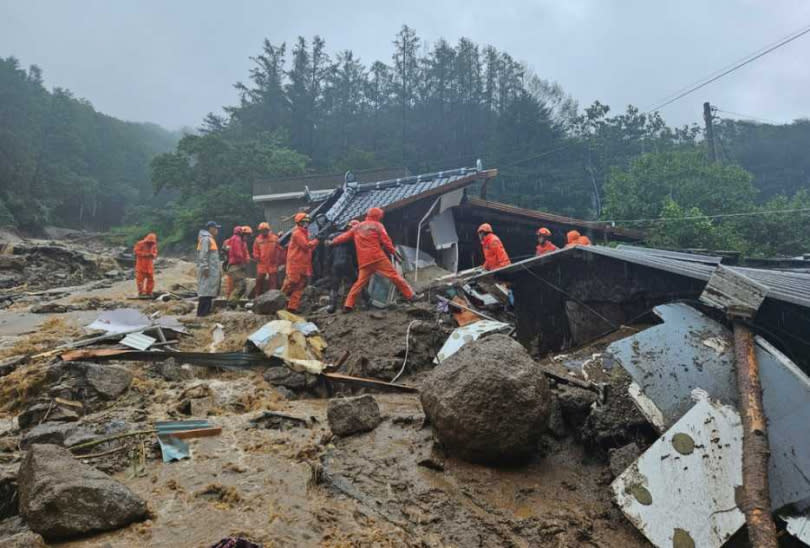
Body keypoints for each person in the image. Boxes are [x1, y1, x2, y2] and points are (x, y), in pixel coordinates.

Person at [329, 207, 416, 312]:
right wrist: (394, 253)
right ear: (378, 216)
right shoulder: (378, 226)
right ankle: (411, 296)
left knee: (358, 284)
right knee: (395, 276)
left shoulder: (357, 227)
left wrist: (332, 242)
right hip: (378, 258)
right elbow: (386, 242)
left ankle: (348, 305)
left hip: (364, 261)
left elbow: (343, 237)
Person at [325, 219, 367, 313]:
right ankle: (366, 301)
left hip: (335, 264)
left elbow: (328, 254)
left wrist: (328, 266)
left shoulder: (335, 236)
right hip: (346, 263)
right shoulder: (353, 238)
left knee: (335, 285)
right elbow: (355, 254)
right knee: (357, 282)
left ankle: (332, 306)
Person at [281, 212, 319, 312]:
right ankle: (278, 302)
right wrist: (316, 241)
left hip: (304, 264)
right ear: (299, 222)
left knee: (300, 286)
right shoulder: (297, 233)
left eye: (307, 222)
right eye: (304, 222)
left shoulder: (305, 233)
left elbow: (310, 248)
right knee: (291, 283)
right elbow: (306, 246)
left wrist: (315, 242)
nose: (306, 224)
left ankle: (292, 307)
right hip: (295, 264)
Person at [196, 221, 221, 317]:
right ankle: (202, 313)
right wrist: (205, 268)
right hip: (208, 270)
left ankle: (206, 312)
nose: (217, 230)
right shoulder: (206, 239)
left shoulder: (210, 239)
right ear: (211, 228)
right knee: (205, 291)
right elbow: (203, 255)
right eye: (215, 228)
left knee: (209, 291)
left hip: (211, 270)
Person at [223, 226, 250, 304]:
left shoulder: (234, 240)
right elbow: (238, 253)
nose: (247, 237)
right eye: (246, 235)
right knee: (241, 285)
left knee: (239, 285)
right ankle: (231, 303)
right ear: (241, 233)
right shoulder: (237, 239)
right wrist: (244, 260)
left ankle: (232, 303)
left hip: (234, 265)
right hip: (235, 266)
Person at [253, 221, 281, 295]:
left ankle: (272, 296)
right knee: (259, 280)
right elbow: (255, 250)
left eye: (265, 230)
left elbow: (279, 249)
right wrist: (257, 257)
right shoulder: (257, 240)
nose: (263, 232)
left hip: (272, 263)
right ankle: (257, 295)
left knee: (273, 281)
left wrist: (278, 261)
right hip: (262, 263)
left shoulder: (275, 238)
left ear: (268, 230)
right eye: (262, 230)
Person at [133, 232, 158, 297]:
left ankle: (149, 292)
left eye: (151, 242)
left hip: (149, 266)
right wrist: (145, 254)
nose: (150, 243)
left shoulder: (154, 245)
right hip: (141, 265)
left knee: (151, 279)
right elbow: (136, 251)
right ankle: (141, 292)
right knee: (140, 280)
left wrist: (153, 255)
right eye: (149, 241)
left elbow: (155, 252)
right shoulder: (140, 243)